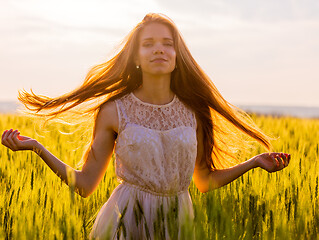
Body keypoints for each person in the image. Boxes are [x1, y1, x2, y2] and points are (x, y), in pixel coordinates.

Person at [1, 13, 290, 239]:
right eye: (148, 44)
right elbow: (86, 185)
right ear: (136, 57)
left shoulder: (194, 112)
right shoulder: (114, 110)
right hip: (126, 221)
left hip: (178, 223)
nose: (159, 50)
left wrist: (253, 163)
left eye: (167, 44)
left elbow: (203, 181)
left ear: (178, 56)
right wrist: (37, 148)